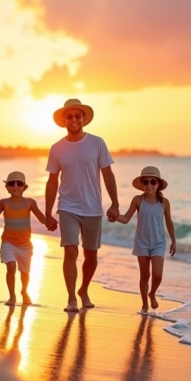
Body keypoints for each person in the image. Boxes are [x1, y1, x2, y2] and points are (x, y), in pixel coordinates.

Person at [45, 98, 120, 312]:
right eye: (70, 116)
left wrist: (114, 203)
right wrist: (48, 213)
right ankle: (71, 298)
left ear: (84, 118)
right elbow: (52, 181)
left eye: (78, 115)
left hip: (93, 207)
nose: (74, 119)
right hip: (67, 206)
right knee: (70, 252)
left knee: (91, 255)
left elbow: (107, 174)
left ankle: (84, 289)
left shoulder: (97, 143)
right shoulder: (57, 148)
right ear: (64, 120)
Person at [111, 166, 176, 314]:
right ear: (141, 184)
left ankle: (152, 293)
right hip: (142, 242)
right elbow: (126, 218)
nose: (149, 185)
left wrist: (174, 241)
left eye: (153, 182)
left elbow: (169, 222)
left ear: (158, 184)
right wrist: (115, 217)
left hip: (159, 242)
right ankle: (145, 304)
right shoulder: (138, 200)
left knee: (157, 275)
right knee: (145, 275)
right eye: (145, 182)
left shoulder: (164, 202)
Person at [0, 171, 47, 306]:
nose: (15, 186)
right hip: (8, 242)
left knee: (25, 273)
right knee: (11, 266)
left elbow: (42, 218)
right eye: (11, 183)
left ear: (24, 187)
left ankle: (24, 291)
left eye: (19, 183)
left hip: (25, 244)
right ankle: (12, 296)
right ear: (6, 187)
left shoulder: (30, 203)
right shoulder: (3, 203)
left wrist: (51, 221)